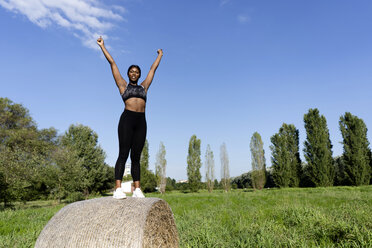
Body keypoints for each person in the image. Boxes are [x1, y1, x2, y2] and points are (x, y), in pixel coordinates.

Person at [97, 37, 163, 199]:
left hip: (141, 121)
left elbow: (153, 70)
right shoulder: (122, 85)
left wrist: (160, 55)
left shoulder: (144, 86)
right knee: (123, 154)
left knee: (136, 157)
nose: (134, 73)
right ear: (128, 74)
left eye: (137, 72)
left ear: (139, 75)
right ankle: (118, 188)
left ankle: (137, 189)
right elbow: (112, 64)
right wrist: (102, 47)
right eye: (131, 71)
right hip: (127, 120)